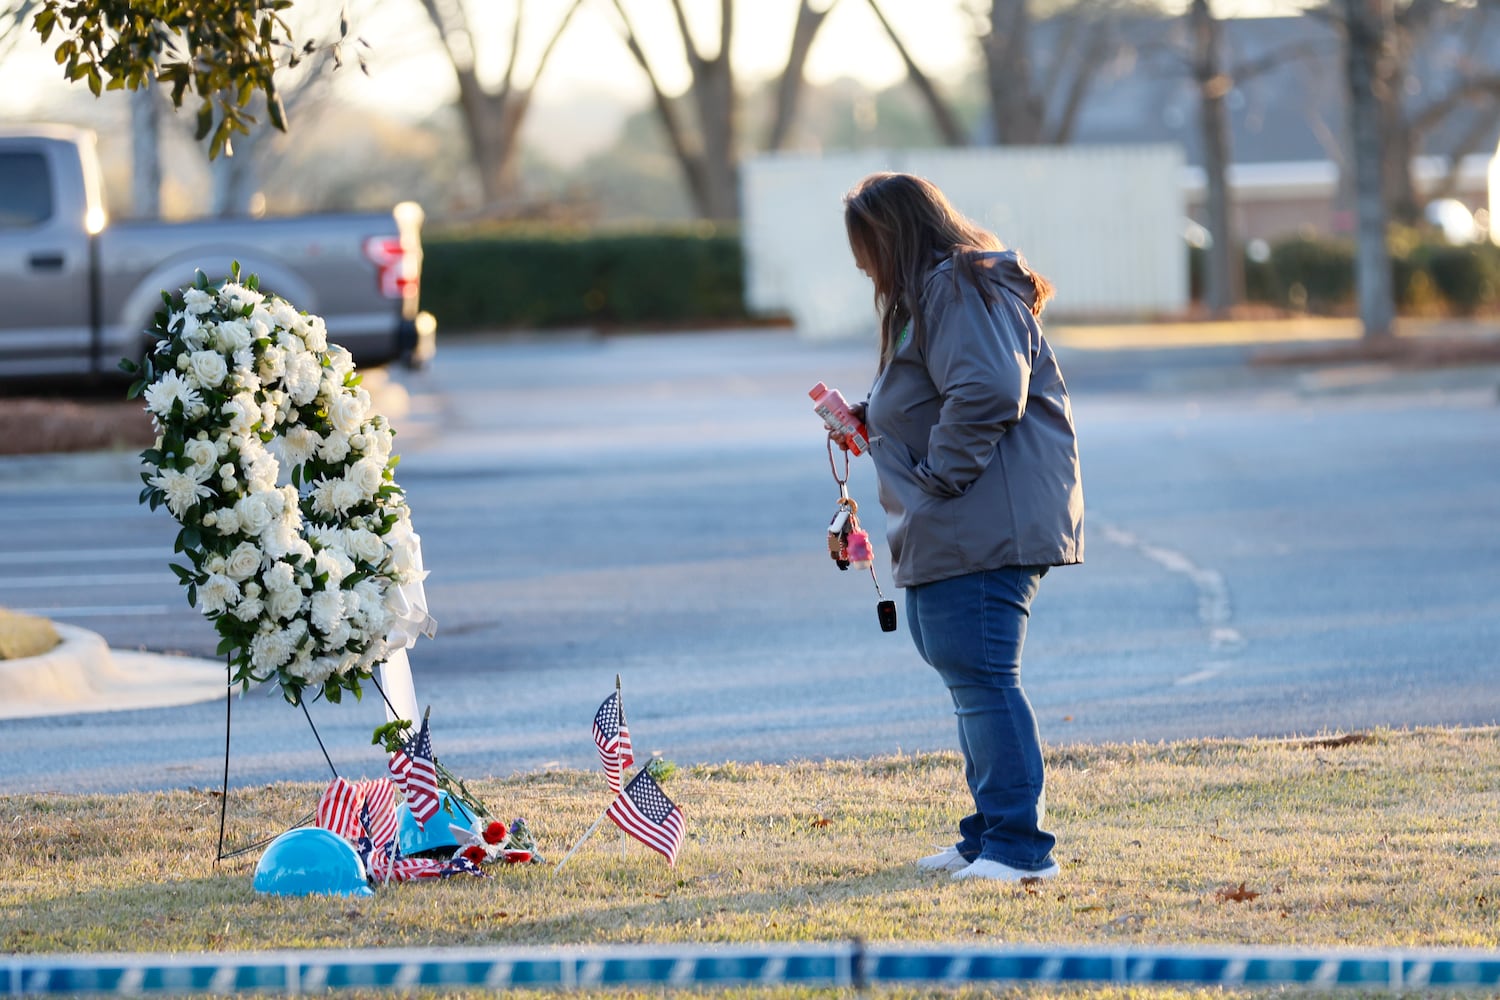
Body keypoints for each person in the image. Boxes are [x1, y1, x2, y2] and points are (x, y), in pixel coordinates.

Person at [840, 172, 1084, 882]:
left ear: (894, 236)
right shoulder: (937, 293)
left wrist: (938, 477)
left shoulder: (957, 285)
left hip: (979, 514)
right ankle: (989, 833)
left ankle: (1019, 848)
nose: (862, 266)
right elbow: (938, 386)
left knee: (982, 677)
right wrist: (873, 418)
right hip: (958, 517)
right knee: (965, 674)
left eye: (866, 248)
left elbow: (987, 390)